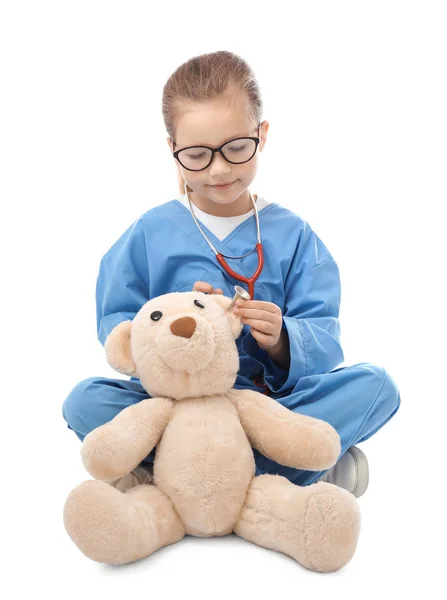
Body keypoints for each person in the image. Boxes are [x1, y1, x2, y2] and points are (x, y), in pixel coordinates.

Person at [62, 50, 401, 498]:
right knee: (86, 400)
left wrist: (282, 339)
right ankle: (287, 476)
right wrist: (174, 324)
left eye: (237, 148)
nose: (219, 169)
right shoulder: (148, 233)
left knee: (377, 387)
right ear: (172, 149)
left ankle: (177, 483)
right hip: (173, 410)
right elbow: (118, 330)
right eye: (198, 155)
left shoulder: (294, 235)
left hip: (270, 411)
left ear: (262, 134)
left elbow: (324, 334)